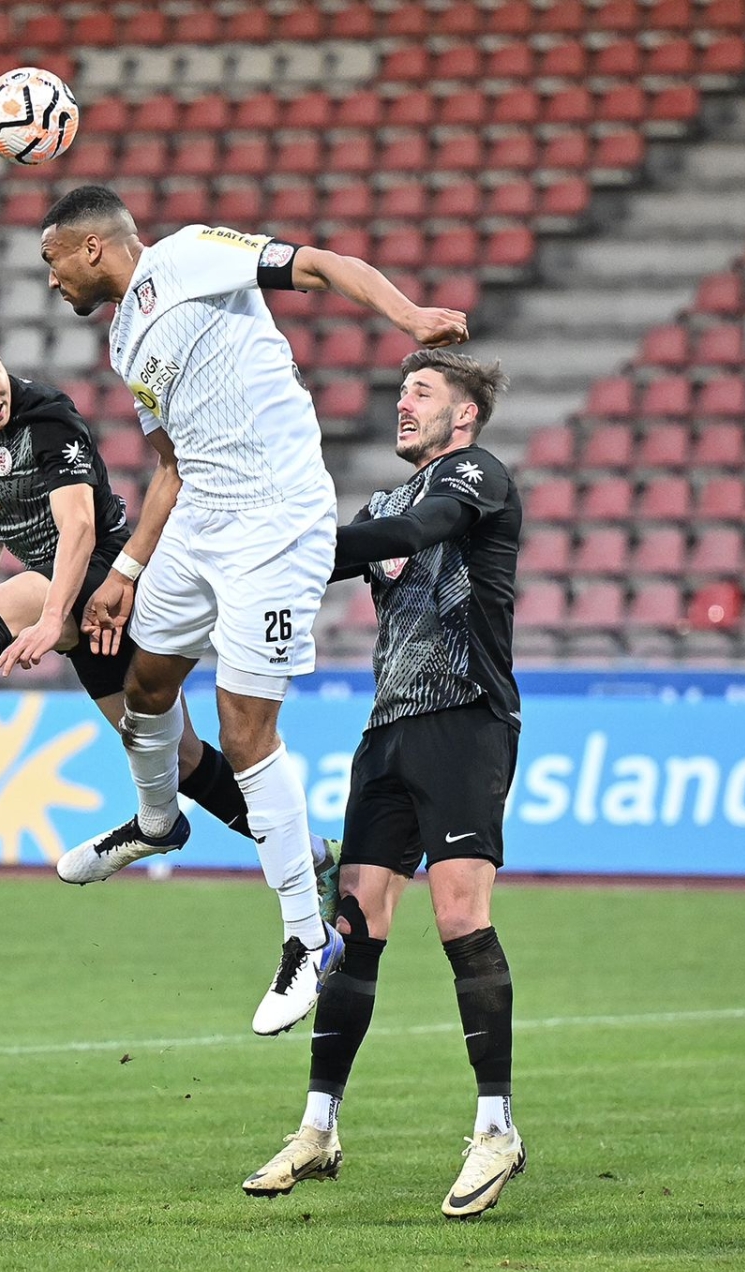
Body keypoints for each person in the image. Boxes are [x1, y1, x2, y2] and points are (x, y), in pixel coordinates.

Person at [38, 185, 469, 1037]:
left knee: (243, 732)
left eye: (53, 260)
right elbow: (170, 463)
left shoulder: (190, 255)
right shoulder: (124, 337)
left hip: (276, 522)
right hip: (201, 517)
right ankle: (158, 823)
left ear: (92, 247)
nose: (51, 280)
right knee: (146, 687)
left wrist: (409, 316)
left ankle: (307, 939)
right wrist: (129, 567)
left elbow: (320, 265)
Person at [0, 295, 337, 881]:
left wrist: (51, 616)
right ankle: (315, 857)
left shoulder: (47, 418)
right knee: (181, 758)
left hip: (104, 573)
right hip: (56, 583)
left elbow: (79, 527)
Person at [241, 351, 525, 1219]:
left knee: (459, 917)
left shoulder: (478, 475)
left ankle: (496, 1130)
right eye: (401, 392)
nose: (404, 404)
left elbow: (410, 535)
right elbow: (341, 555)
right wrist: (249, 566)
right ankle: (318, 1128)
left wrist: (305, 548)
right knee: (354, 924)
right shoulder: (377, 504)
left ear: (464, 414)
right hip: (388, 730)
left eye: (423, 393)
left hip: (466, 719)